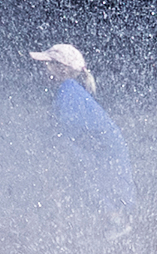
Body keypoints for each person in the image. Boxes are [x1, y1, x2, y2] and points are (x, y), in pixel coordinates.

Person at [31, 42, 134, 221]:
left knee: (91, 190)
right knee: (90, 190)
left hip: (103, 155)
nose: (42, 68)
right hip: (104, 152)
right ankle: (114, 221)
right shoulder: (71, 91)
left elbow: (58, 135)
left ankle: (115, 222)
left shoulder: (68, 93)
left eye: (47, 63)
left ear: (62, 69)